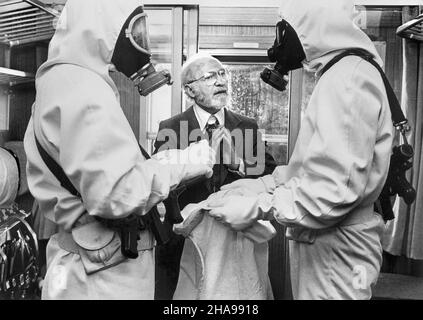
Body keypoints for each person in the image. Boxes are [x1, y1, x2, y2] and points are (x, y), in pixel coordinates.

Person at [23, 0, 215, 300]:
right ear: (101, 24)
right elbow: (117, 193)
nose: (142, 43)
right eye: (135, 31)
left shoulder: (64, 80)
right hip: (100, 275)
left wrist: (167, 161)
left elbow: (102, 169)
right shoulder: (81, 88)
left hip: (89, 266)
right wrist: (181, 166)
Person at [207, 0, 395, 300]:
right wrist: (264, 184)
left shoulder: (348, 78)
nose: (278, 43)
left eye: (282, 30)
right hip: (327, 243)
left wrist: (262, 205)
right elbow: (314, 166)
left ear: (311, 21)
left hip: (337, 251)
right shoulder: (339, 73)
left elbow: (334, 191)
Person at [154, 53, 276, 299]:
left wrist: (238, 163)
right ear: (190, 91)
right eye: (210, 77)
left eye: (223, 74)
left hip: (235, 242)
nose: (221, 82)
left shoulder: (246, 126)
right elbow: (159, 182)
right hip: (184, 242)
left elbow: (270, 172)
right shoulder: (171, 127)